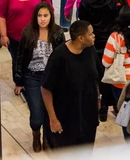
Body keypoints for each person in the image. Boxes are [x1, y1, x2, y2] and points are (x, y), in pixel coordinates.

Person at [41, 20, 101, 149]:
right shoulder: (59, 57)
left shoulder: (90, 49)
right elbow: (45, 89)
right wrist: (53, 119)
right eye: (91, 34)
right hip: (66, 119)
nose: (94, 36)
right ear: (80, 38)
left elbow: (94, 77)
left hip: (87, 116)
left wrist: (97, 98)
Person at [14, 2, 65, 152]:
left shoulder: (57, 33)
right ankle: (36, 134)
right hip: (32, 77)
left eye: (46, 15)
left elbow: (62, 58)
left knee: (51, 110)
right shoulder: (28, 33)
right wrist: (18, 80)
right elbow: (20, 57)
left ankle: (47, 139)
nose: (42, 19)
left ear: (51, 16)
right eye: (39, 15)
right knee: (36, 113)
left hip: (51, 78)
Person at [79, 0, 127, 122]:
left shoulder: (86, 2)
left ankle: (103, 108)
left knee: (100, 77)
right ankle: (118, 106)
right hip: (117, 44)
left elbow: (84, 25)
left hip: (96, 45)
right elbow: (126, 17)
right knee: (117, 73)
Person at [0, 0, 51, 85]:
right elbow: (0, 15)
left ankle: (35, 82)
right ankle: (19, 83)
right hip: (15, 37)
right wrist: (4, 35)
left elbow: (49, 8)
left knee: (37, 59)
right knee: (18, 61)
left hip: (37, 34)